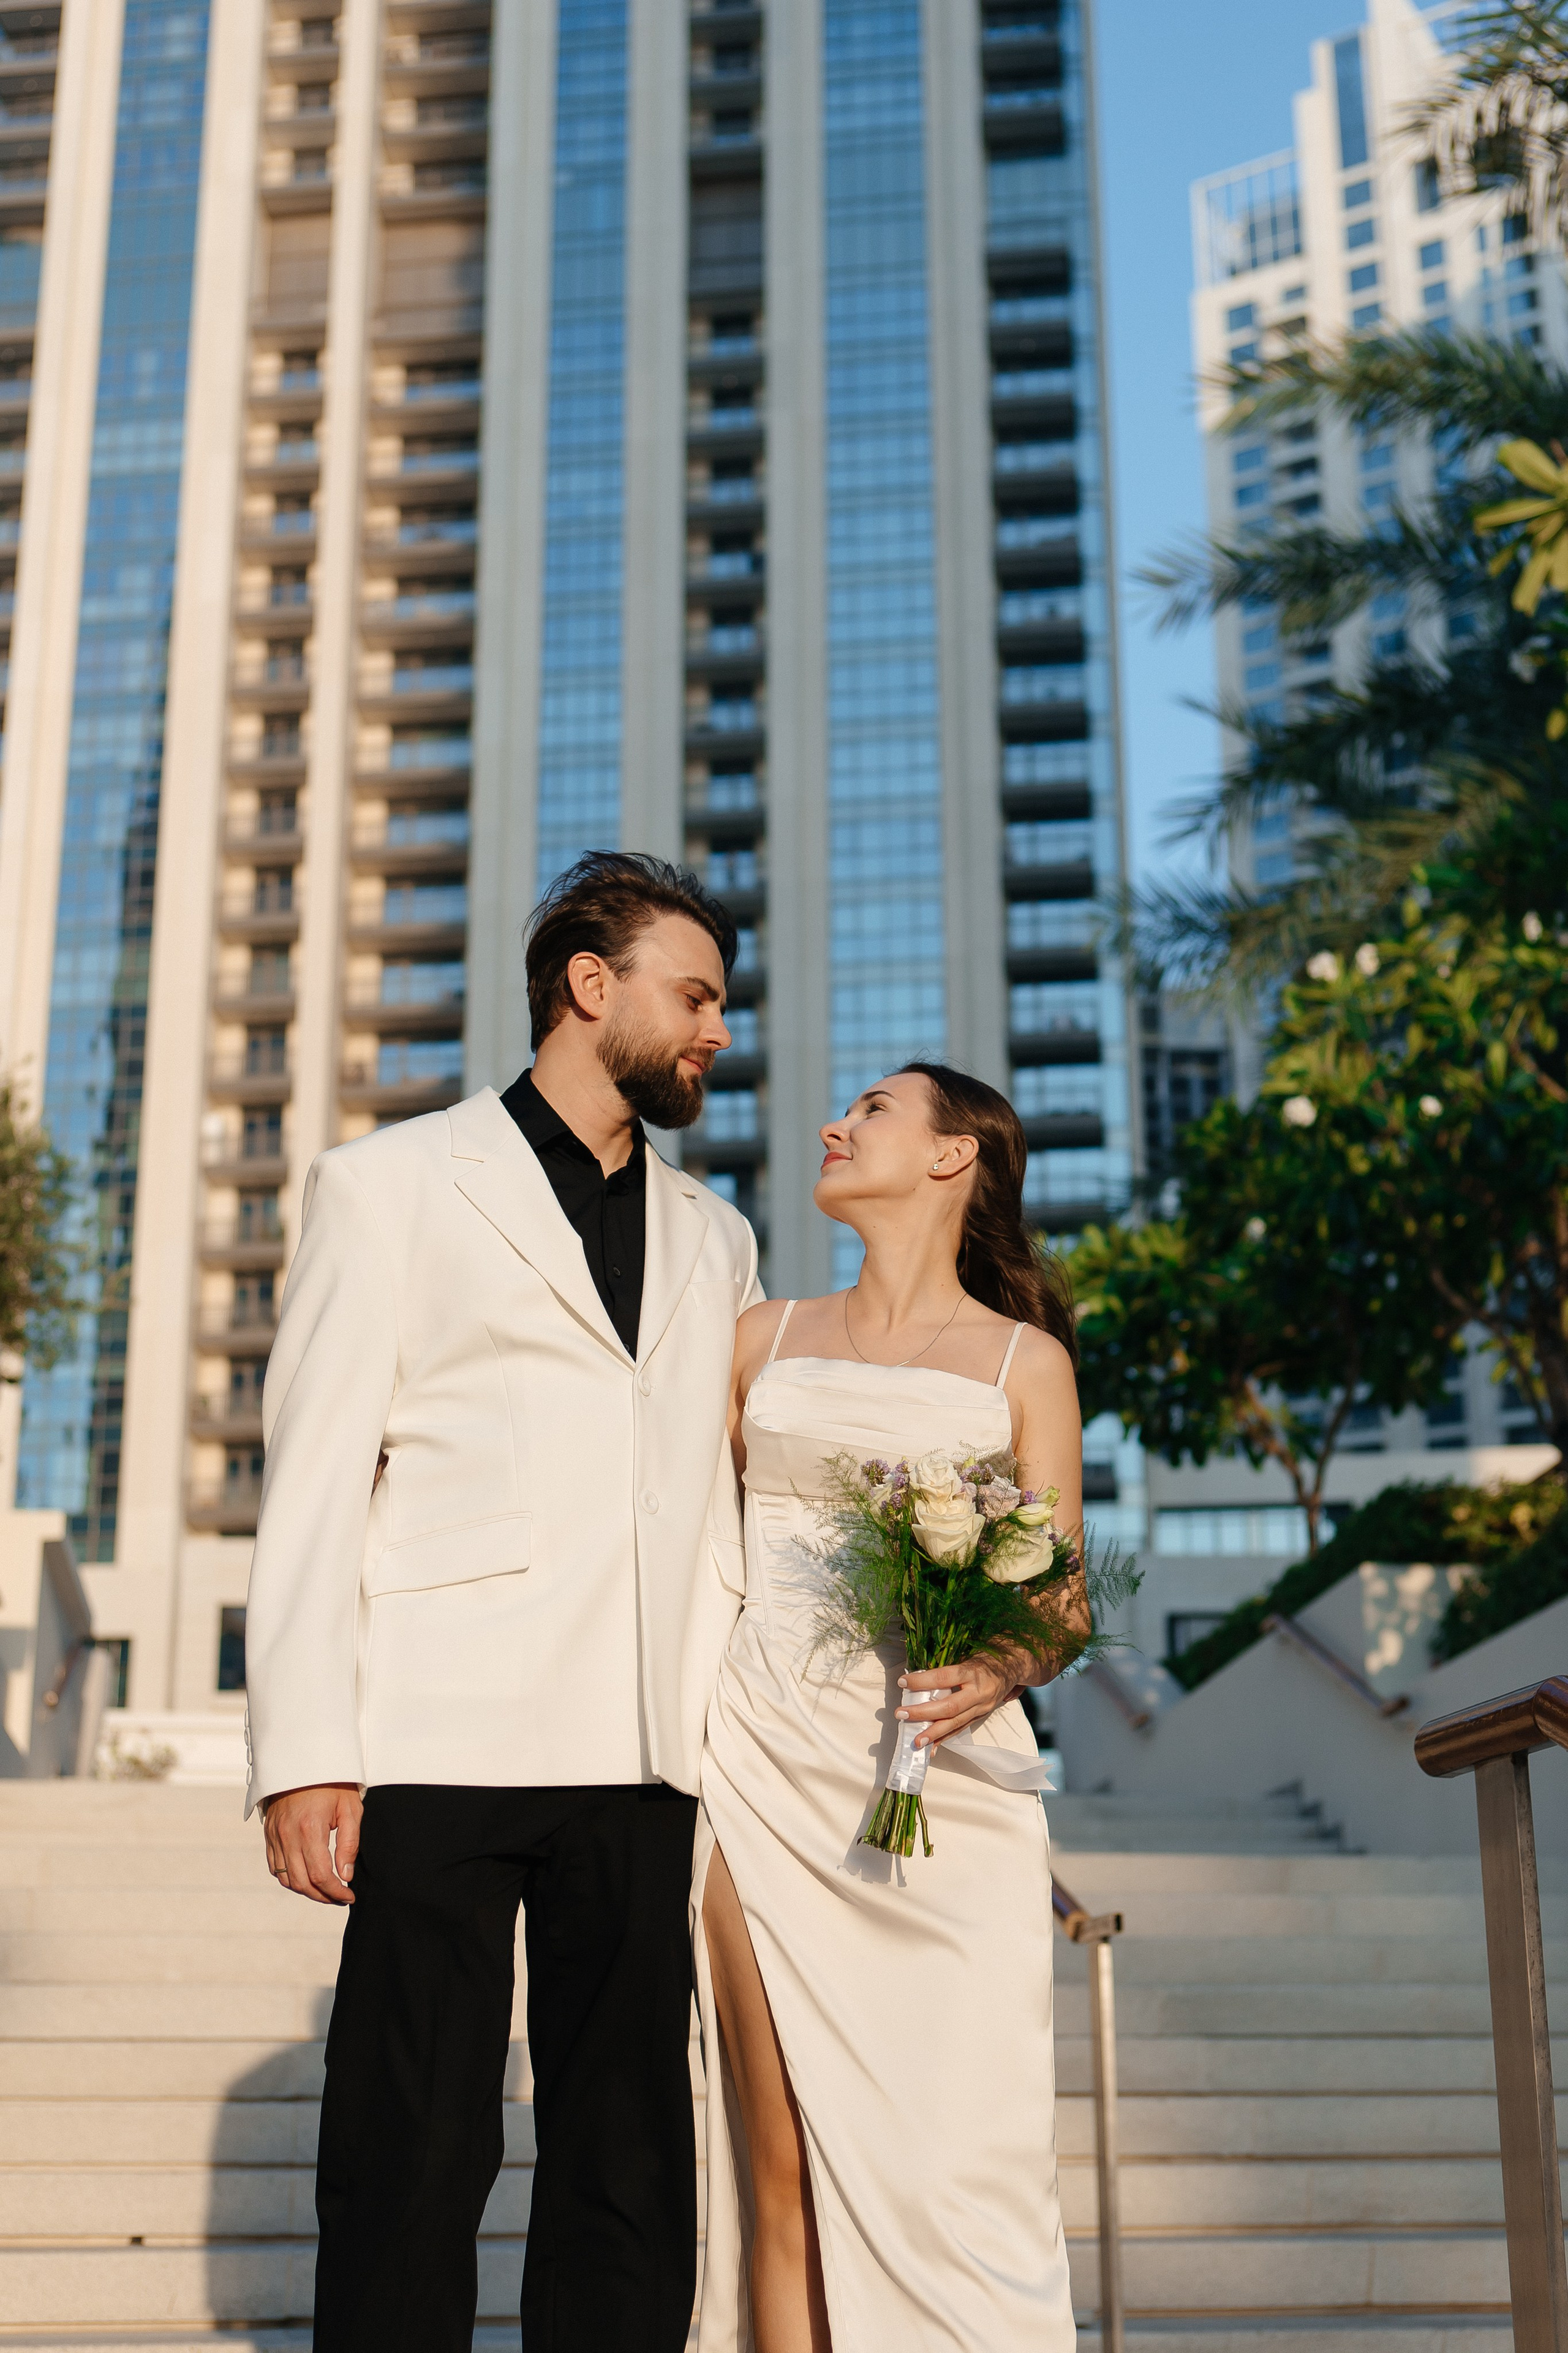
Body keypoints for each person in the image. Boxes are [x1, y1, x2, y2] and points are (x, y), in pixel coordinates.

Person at [243, 852, 764, 2353]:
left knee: (629, 2158)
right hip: (441, 1729)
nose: (715, 1029)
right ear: (590, 987)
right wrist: (303, 1750)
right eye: (694, 996)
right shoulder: (387, 1185)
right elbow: (316, 1477)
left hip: (649, 1743)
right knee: (410, 2139)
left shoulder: (718, 1236)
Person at [695, 1062, 1087, 2353]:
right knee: (779, 2166)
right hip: (758, 1771)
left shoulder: (1026, 1362)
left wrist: (999, 1665)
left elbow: (1062, 1599)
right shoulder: (759, 1337)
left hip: (945, 1797)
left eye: (871, 1109)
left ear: (951, 1155)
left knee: (954, 2173)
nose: (835, 1123)